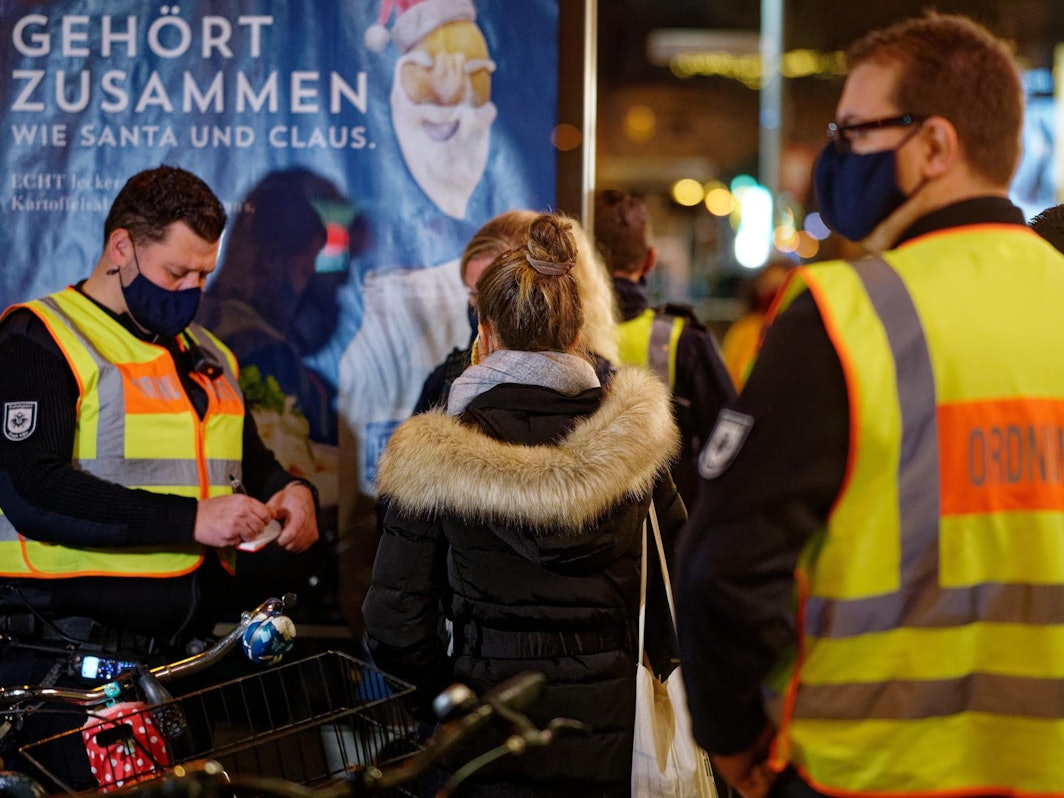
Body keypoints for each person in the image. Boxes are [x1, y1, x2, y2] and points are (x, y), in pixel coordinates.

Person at [675, 12, 1064, 798]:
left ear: (935, 146)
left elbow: (724, 570)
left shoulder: (844, 315)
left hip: (866, 773)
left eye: (855, 131)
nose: (837, 155)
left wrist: (732, 739)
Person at [0, 165, 319, 771]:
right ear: (121, 247)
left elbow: (252, 461)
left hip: (180, 667)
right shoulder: (39, 338)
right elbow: (32, 489)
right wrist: (191, 520)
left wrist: (290, 489)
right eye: (177, 273)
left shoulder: (208, 352)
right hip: (69, 672)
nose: (192, 289)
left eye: (204, 274)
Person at [363, 213, 684, 796]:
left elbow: (394, 624)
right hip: (616, 741)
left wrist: (450, 700)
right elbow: (682, 594)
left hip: (485, 740)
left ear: (484, 334)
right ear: (576, 333)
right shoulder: (635, 447)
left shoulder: (433, 454)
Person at [594, 188, 735, 506]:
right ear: (650, 261)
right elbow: (729, 443)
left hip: (582, 525)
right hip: (671, 523)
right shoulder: (684, 342)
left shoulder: (563, 335)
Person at [414, 210, 620, 412]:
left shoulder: (610, 392)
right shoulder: (444, 383)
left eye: (499, 292)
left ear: (551, 288)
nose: (479, 306)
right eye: (474, 294)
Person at [719, 261, 790, 390]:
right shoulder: (744, 328)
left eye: (779, 287)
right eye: (768, 285)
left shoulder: (796, 330)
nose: (773, 292)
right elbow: (728, 375)